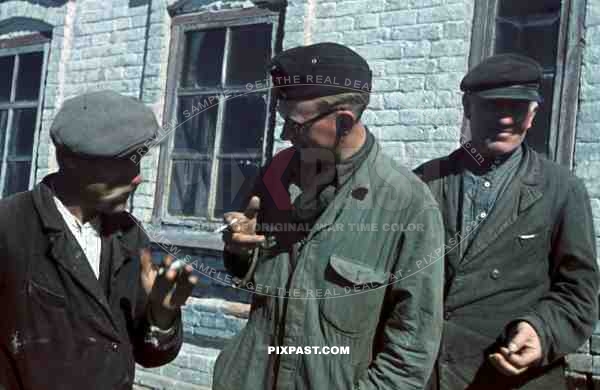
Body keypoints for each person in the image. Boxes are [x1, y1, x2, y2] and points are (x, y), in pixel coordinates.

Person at [212, 42, 445, 390]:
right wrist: (240, 251)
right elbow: (251, 277)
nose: (284, 134)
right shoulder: (275, 175)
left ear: (343, 122)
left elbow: (411, 348)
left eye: (295, 124)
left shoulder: (408, 204)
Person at [416, 53, 600, 389]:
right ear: (468, 109)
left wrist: (541, 330)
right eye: (491, 106)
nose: (504, 119)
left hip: (512, 379)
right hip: (429, 376)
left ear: (531, 115)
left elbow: (580, 291)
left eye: (515, 108)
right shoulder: (425, 181)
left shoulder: (561, 189)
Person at [0, 90, 198, 389]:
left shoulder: (129, 233)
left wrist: (161, 314)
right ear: (70, 161)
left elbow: (151, 355)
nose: (137, 177)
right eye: (123, 161)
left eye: (139, 159)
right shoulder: (9, 227)